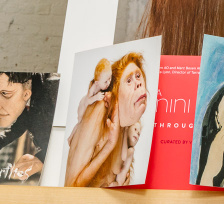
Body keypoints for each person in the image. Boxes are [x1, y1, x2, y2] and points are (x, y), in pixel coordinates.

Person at [65, 53, 149, 187]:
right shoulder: (100, 110)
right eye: (129, 81)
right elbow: (71, 186)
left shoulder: (126, 125)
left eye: (138, 76)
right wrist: (110, 144)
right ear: (117, 91)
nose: (138, 84)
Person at [0, 72, 57, 182]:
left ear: (26, 94)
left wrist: (41, 159)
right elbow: (17, 128)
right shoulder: (27, 100)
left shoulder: (52, 89)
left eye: (5, 94)